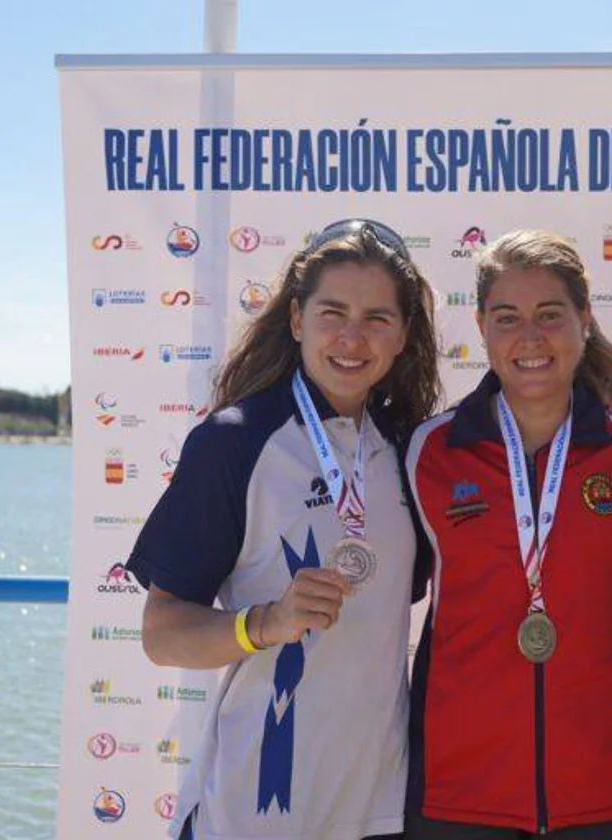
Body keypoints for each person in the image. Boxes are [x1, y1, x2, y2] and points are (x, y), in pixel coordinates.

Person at [126, 219, 441, 840]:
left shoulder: (409, 450)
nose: (353, 337)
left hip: (377, 806)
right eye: (333, 312)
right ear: (297, 320)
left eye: (378, 317)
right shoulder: (234, 442)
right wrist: (264, 623)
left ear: (404, 334)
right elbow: (162, 634)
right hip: (256, 809)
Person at [404, 230, 612, 839]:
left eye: (550, 315)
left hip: (601, 785)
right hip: (459, 790)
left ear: (584, 319)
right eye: (507, 317)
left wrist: (595, 657)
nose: (530, 337)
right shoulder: (431, 452)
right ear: (480, 325)